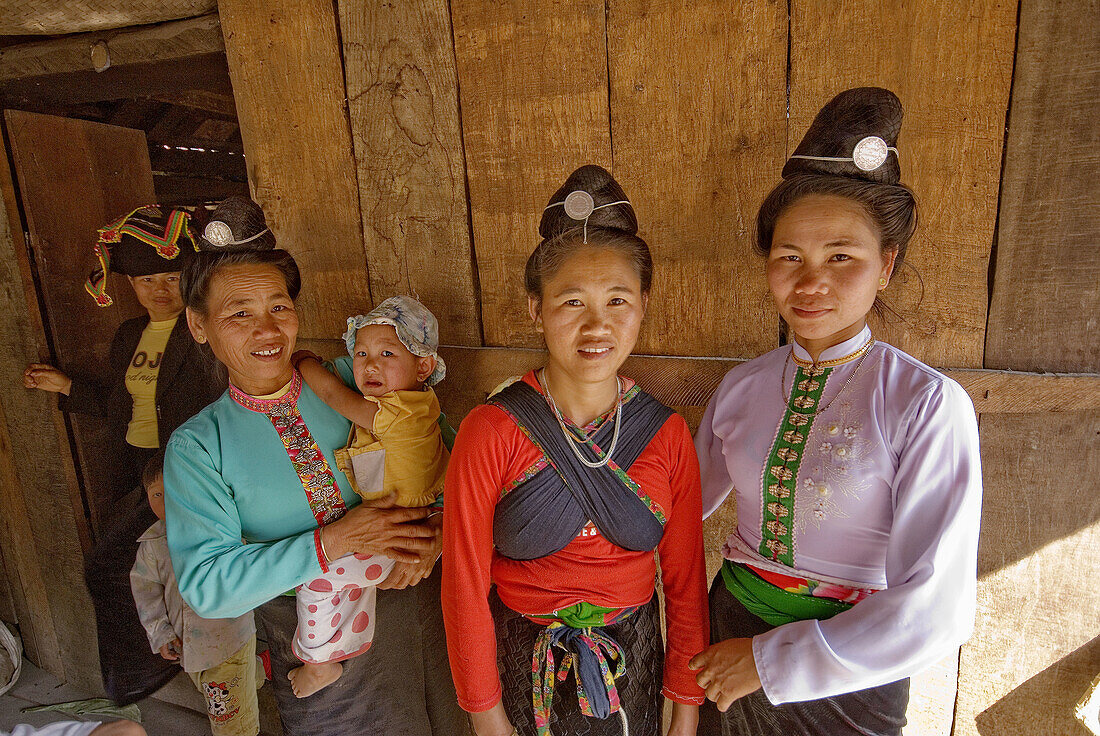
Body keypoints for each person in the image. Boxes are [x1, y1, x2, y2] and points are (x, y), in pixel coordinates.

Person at [690, 87, 983, 736]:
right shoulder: (740, 389)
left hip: (848, 676)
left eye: (841, 257)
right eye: (789, 256)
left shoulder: (927, 406)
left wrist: (768, 663)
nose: (809, 281)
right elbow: (668, 504)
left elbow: (937, 610)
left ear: (887, 265)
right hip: (724, 638)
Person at [162, 196, 470, 736]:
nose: (266, 330)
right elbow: (209, 585)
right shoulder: (199, 446)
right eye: (239, 314)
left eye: (278, 307)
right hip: (318, 642)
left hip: (419, 600)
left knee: (455, 719)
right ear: (197, 324)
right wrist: (335, 539)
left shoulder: (359, 376)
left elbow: (450, 464)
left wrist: (440, 532)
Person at [443, 165, 709, 736]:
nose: (598, 325)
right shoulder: (491, 430)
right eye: (571, 303)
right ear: (536, 309)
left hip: (633, 663)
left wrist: (684, 707)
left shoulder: (665, 435)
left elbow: (685, 582)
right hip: (519, 667)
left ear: (643, 305)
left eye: (618, 300)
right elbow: (463, 583)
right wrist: (485, 716)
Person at [21, 205, 225, 704]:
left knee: (110, 567)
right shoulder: (129, 336)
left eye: (171, 276)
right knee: (142, 569)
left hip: (181, 473)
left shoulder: (204, 332)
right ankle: (150, 667)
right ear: (130, 283)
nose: (160, 289)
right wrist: (66, 386)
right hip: (137, 470)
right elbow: (122, 403)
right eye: (145, 278)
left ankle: (143, 674)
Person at [286, 294, 450, 697]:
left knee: (317, 579)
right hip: (399, 531)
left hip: (400, 536)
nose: (369, 364)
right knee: (353, 584)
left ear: (423, 366)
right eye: (360, 353)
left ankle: (317, 662)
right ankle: (348, 642)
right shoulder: (401, 405)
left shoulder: (403, 412)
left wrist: (304, 361)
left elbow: (333, 396)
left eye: (387, 353)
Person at [130, 450, 261, 736]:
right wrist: (160, 633)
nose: (165, 502)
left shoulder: (220, 527)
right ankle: (256, 672)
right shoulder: (152, 545)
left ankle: (249, 680)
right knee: (214, 689)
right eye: (156, 495)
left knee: (231, 724)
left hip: (228, 639)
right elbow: (146, 591)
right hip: (188, 647)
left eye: (173, 490)